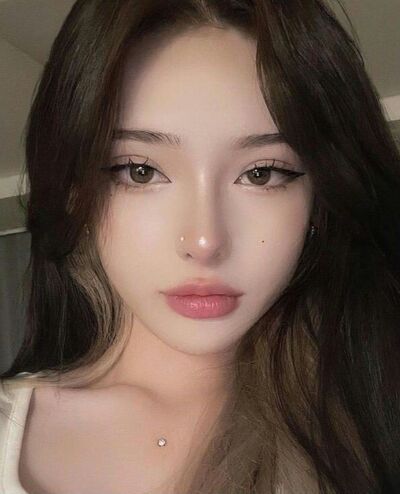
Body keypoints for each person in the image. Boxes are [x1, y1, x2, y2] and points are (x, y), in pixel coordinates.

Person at [1, 0, 400, 492]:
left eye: (262, 173)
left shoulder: (372, 427)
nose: (205, 241)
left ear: (320, 201)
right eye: (140, 171)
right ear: (75, 192)